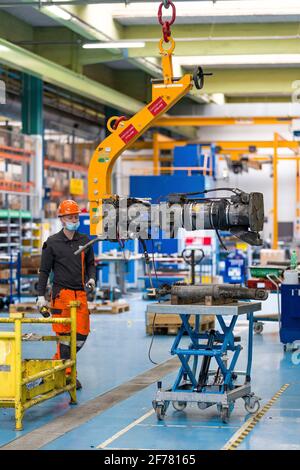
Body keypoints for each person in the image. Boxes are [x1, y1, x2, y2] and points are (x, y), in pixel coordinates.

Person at [37, 199, 96, 390]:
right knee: (64, 336)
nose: (74, 219)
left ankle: (57, 370)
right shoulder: (52, 243)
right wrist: (40, 296)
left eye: (76, 216)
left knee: (81, 334)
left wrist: (92, 278)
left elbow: (90, 264)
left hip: (80, 295)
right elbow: (44, 271)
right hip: (61, 295)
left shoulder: (85, 241)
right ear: (62, 219)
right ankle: (68, 375)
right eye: (70, 216)